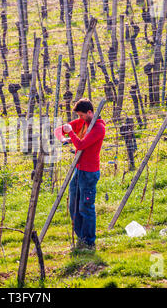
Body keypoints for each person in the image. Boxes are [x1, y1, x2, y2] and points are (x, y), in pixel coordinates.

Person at [54, 98, 106, 251]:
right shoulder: (82, 122)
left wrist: (72, 135)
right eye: (79, 116)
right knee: (73, 206)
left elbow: (81, 145)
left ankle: (89, 242)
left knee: (86, 207)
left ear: (90, 112)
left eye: (82, 115)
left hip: (89, 173)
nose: (80, 118)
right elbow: (59, 130)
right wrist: (64, 137)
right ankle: (81, 238)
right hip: (78, 170)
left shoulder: (98, 128)